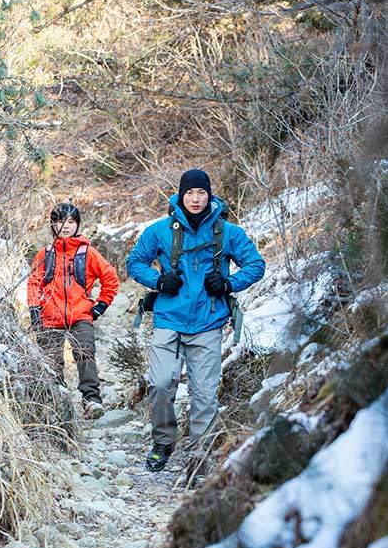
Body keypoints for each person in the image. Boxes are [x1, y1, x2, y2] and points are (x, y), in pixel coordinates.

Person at [126, 169, 265, 472]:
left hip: (208, 323)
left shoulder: (228, 233)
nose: (196, 198)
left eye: (201, 192)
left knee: (204, 394)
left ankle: (199, 456)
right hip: (168, 320)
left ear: (209, 195)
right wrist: (160, 280)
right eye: (190, 193)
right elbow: (134, 262)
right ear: (181, 195)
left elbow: (256, 264)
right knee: (161, 384)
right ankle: (163, 441)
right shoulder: (160, 231)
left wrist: (229, 284)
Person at [28, 202, 119, 417]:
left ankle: (92, 400)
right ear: (52, 225)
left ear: (77, 225)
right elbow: (34, 282)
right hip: (49, 316)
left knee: (85, 353)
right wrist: (34, 310)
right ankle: (57, 403)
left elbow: (110, 278)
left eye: (71, 221)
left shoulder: (88, 253)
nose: (65, 226)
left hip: (81, 314)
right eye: (60, 221)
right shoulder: (45, 254)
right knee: (51, 360)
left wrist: (100, 306)